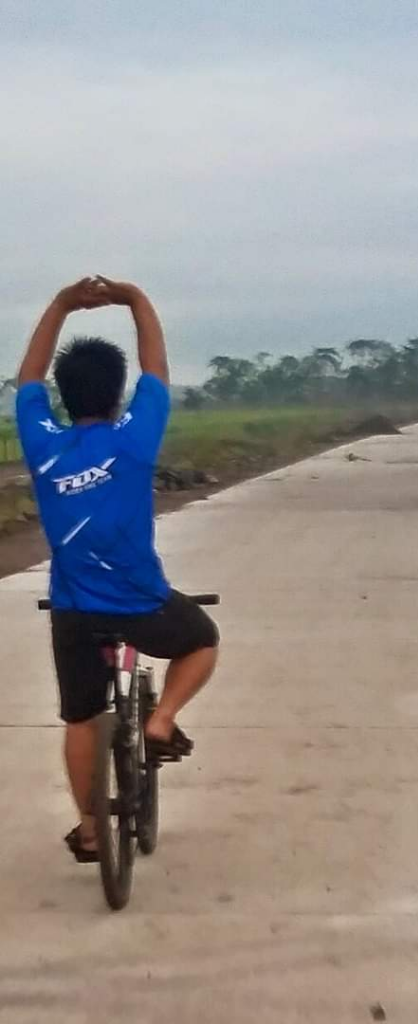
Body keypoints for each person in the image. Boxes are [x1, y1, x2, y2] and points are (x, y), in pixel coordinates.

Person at [15, 277, 219, 863]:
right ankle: (161, 721)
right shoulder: (135, 438)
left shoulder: (41, 441)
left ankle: (87, 827)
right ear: (117, 395)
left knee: (81, 718)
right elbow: (156, 367)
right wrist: (135, 299)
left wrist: (58, 304)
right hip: (140, 602)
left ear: (63, 395)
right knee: (202, 638)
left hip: (75, 609)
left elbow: (27, 379)